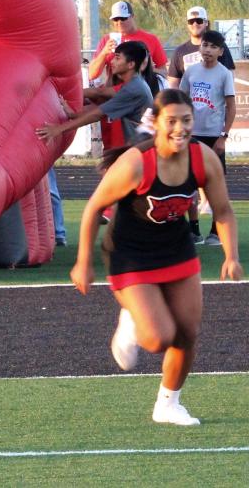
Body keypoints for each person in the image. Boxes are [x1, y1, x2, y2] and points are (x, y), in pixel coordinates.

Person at [69, 90, 242, 426]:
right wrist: (83, 262)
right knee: (157, 338)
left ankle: (168, 404)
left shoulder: (202, 158)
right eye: (172, 121)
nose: (180, 128)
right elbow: (92, 208)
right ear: (157, 124)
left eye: (186, 120)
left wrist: (231, 255)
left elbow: (223, 211)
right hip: (130, 255)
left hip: (175, 249)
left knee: (187, 333)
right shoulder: (137, 162)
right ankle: (131, 318)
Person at [38, 41, 154, 149]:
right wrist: (73, 114)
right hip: (139, 149)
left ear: (131, 65)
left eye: (117, 58)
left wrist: (59, 129)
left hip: (141, 151)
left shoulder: (133, 89)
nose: (112, 62)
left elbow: (98, 113)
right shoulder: (135, 84)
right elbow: (101, 108)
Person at [179, 30, 237, 247]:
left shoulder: (223, 74)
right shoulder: (191, 71)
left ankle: (215, 232)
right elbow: (181, 100)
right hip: (191, 136)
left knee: (216, 185)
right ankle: (193, 231)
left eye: (213, 47)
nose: (208, 50)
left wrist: (223, 136)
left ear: (221, 51)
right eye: (205, 45)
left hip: (213, 137)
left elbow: (231, 107)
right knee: (187, 185)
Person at [87, 1, 168, 84]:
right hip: (114, 93)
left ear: (132, 16)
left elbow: (164, 73)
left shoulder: (151, 39)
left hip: (142, 92)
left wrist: (148, 69)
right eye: (115, 19)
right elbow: (91, 75)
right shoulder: (107, 40)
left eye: (123, 18)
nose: (119, 22)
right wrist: (104, 53)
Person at [167, 6, 235, 88]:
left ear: (206, 22)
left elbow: (229, 75)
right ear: (187, 25)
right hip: (189, 99)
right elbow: (173, 83)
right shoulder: (179, 51)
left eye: (199, 21)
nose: (195, 24)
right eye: (191, 21)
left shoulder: (218, 45)